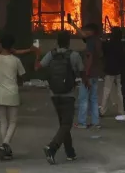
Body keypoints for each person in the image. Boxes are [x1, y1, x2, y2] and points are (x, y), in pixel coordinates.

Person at [38, 30, 83, 164]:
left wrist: (36, 55)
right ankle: (52, 148)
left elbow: (39, 66)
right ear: (69, 41)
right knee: (67, 124)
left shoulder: (51, 54)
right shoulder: (74, 55)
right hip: (68, 94)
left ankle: (70, 152)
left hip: (54, 94)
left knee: (64, 124)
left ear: (57, 41)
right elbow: (81, 70)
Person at [0, 33, 28, 161]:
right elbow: (22, 75)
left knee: (3, 121)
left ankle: (4, 146)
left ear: (1, 45)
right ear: (12, 46)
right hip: (12, 92)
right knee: (13, 122)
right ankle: (5, 145)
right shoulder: (16, 60)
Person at [76, 23, 103, 129]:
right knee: (94, 98)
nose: (84, 32)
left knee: (83, 98)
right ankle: (96, 122)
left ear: (91, 32)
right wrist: (73, 24)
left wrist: (86, 73)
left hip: (89, 74)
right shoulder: (97, 41)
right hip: (96, 73)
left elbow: (89, 57)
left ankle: (82, 122)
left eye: (86, 30)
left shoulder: (90, 42)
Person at [100, 27, 124, 117]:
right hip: (119, 70)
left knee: (106, 91)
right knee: (120, 91)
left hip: (109, 70)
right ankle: (121, 111)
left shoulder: (108, 44)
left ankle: (102, 111)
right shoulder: (122, 44)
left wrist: (104, 40)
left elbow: (104, 53)